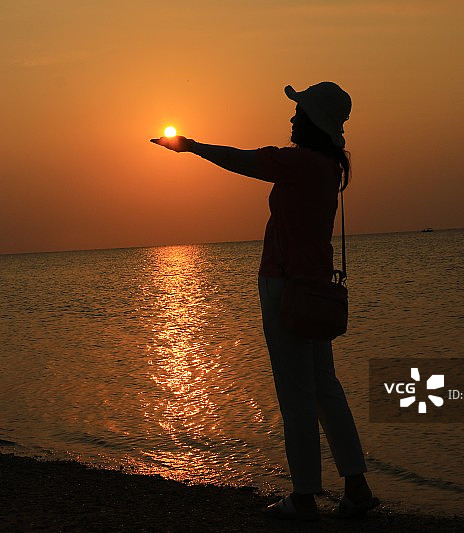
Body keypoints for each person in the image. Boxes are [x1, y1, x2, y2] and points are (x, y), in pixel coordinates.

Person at [150, 82, 378, 521]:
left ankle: (306, 498)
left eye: (299, 113)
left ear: (313, 121)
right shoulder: (330, 165)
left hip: (285, 288)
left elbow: (243, 159)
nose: (292, 119)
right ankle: (357, 487)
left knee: (297, 396)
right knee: (326, 390)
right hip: (313, 288)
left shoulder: (298, 163)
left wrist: (191, 146)